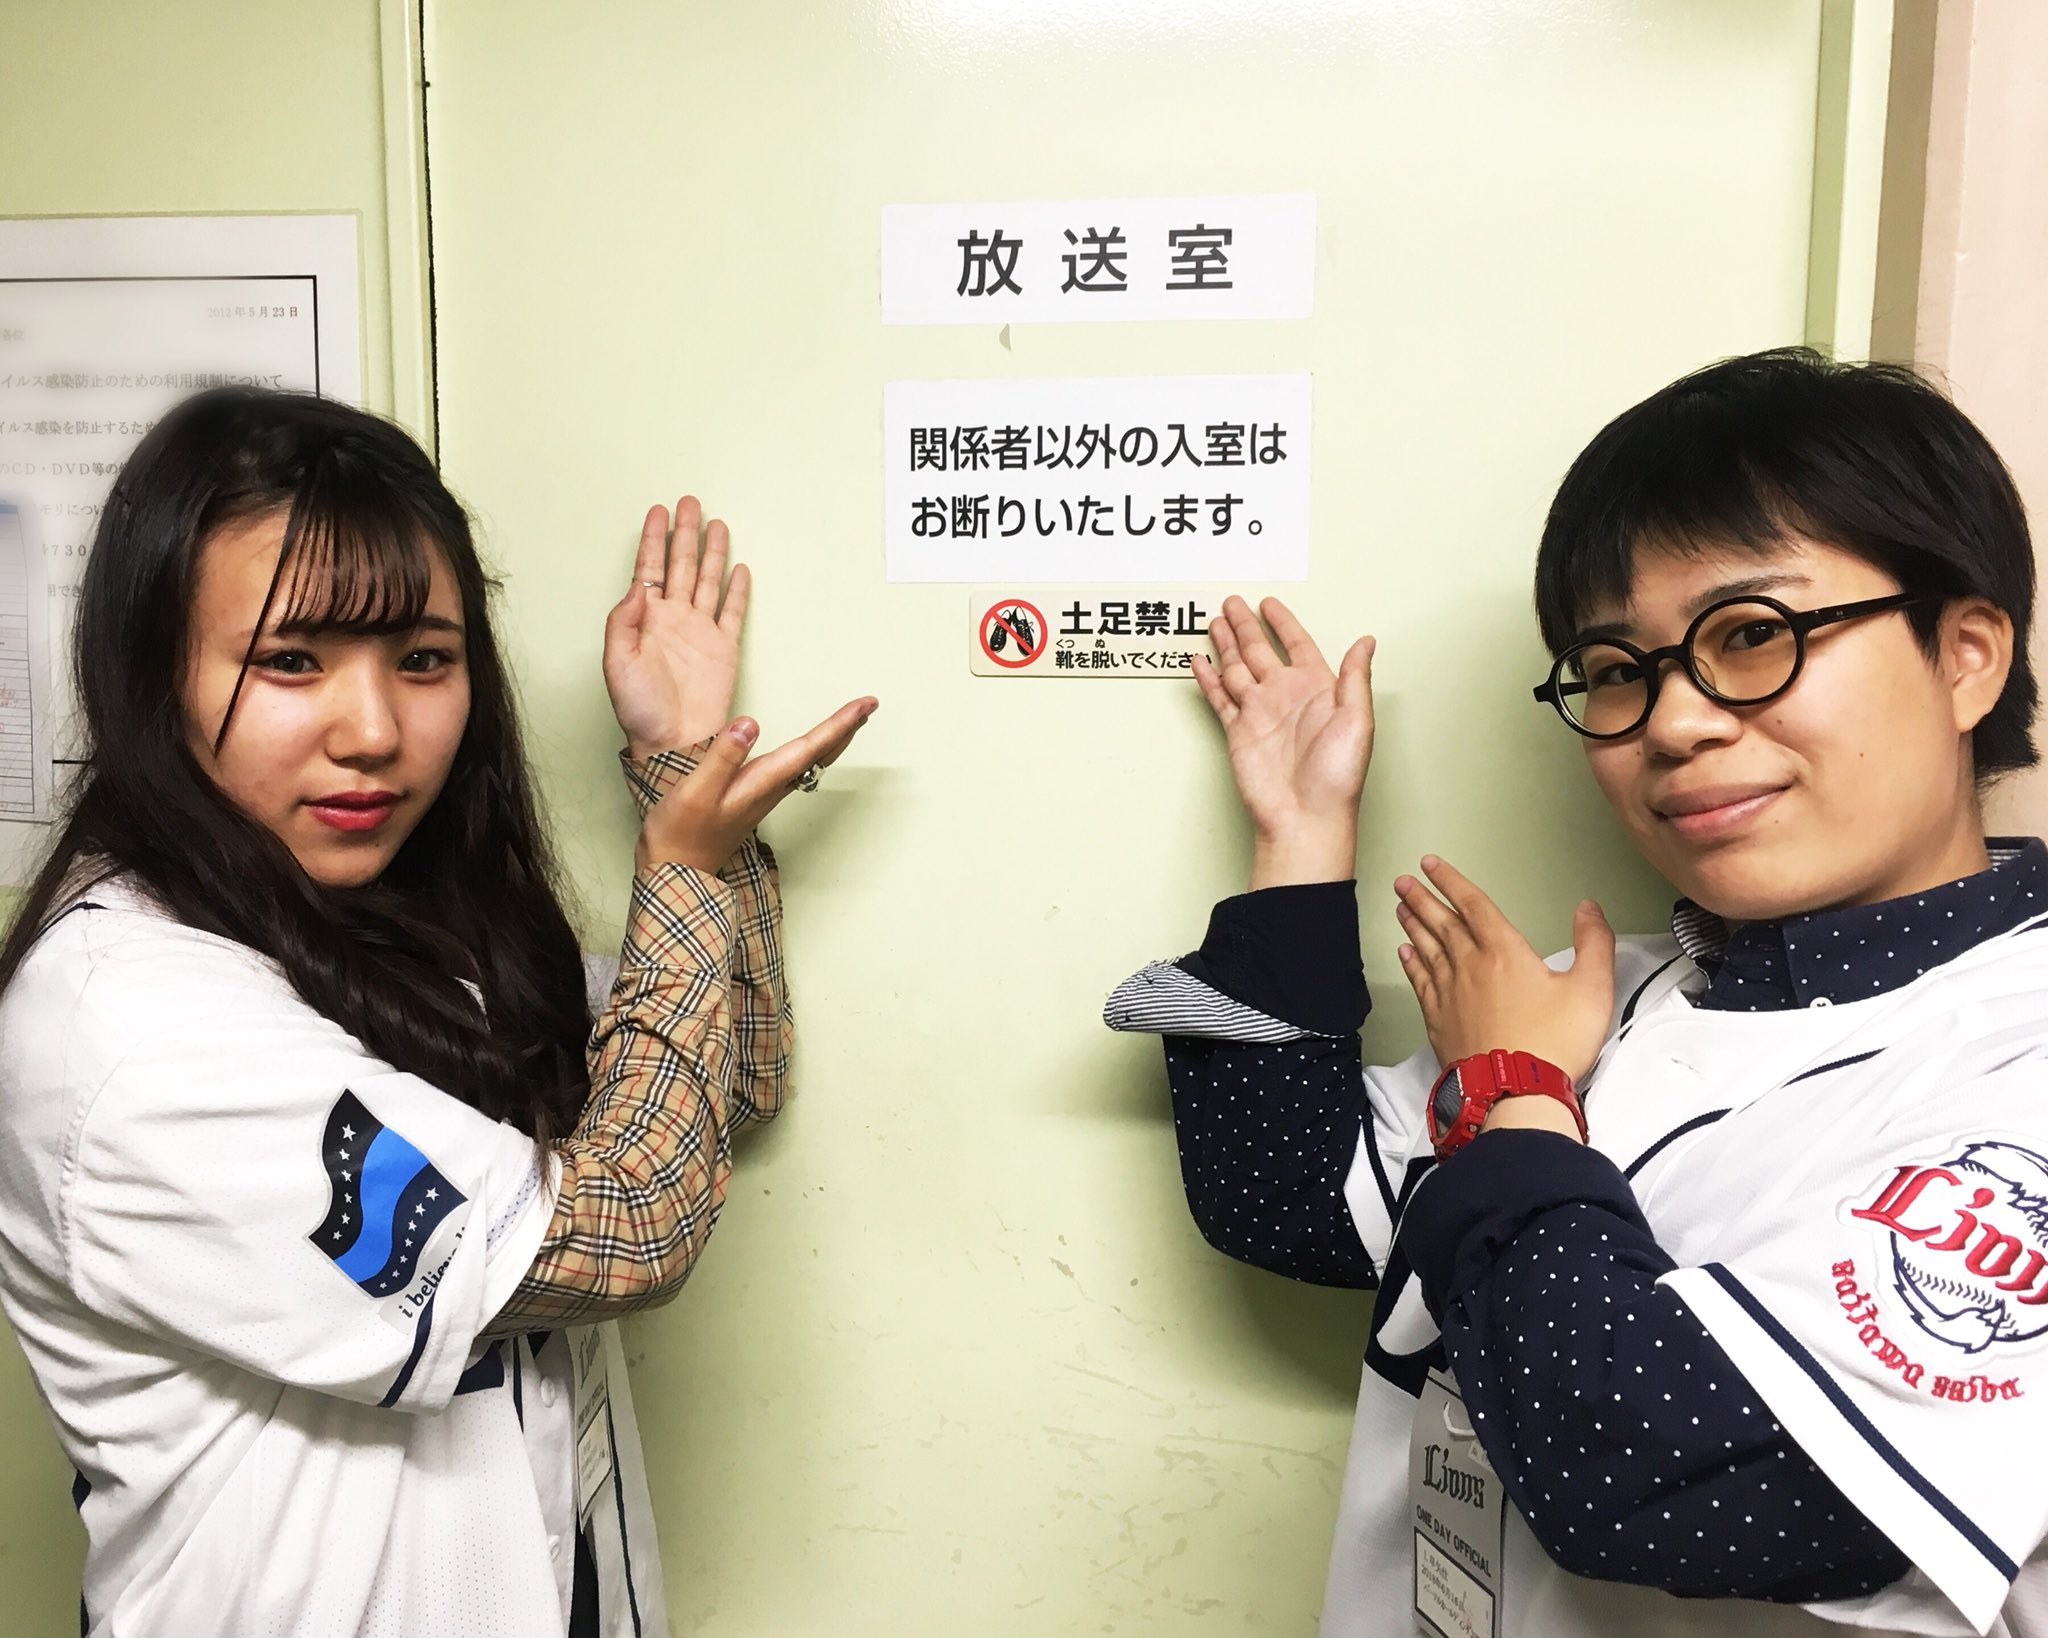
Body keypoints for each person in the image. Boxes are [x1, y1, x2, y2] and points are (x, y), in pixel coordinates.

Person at [1107, 348, 2048, 1635]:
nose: (1672, 723)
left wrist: (1509, 1093)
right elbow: (1287, 1194)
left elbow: (1662, 1484)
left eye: (1749, 635)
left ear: (1965, 656)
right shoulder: (1605, 999)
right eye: (1615, 667)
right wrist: (1299, 834)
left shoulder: (2008, 1055)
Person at [0, 387, 876, 1637]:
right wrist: (679, 862)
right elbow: (630, 1230)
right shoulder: (133, 1027)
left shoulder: (399, 918)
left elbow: (721, 1080)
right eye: (290, 661)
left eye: (423, 659)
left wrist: (684, 764)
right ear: (152, 674)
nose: (374, 732)